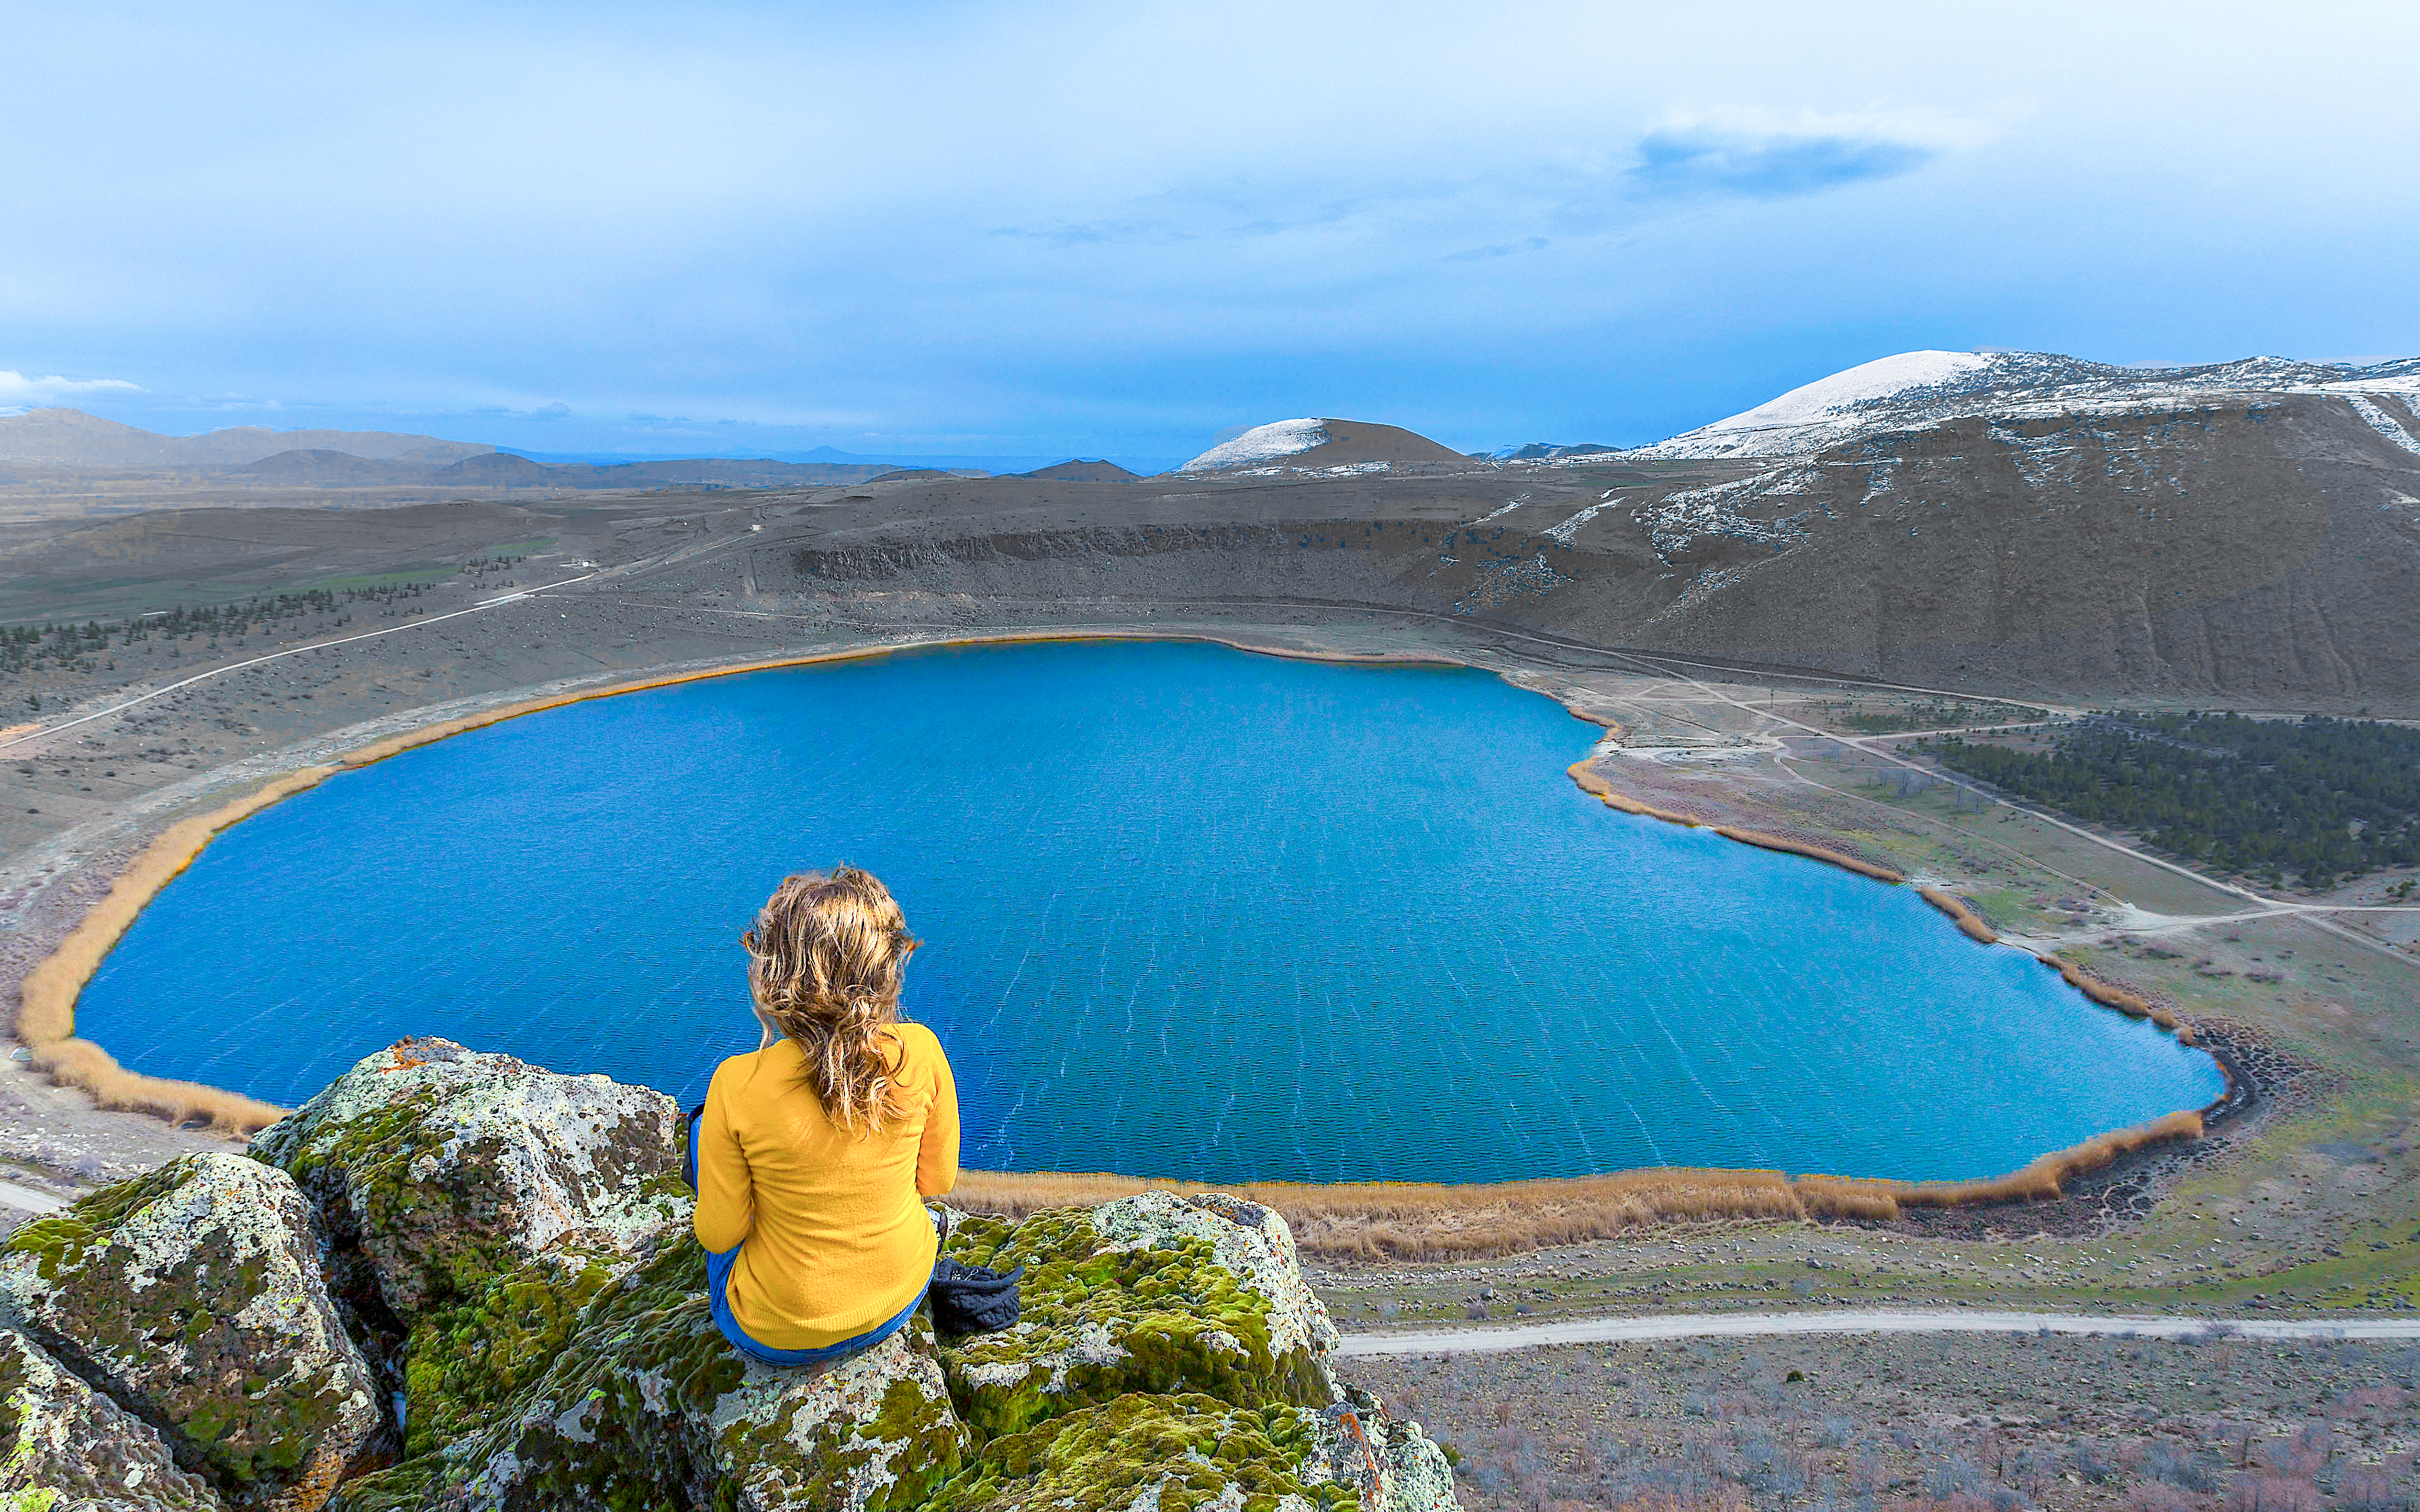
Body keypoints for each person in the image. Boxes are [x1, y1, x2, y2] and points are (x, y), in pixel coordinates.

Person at [691, 867, 960, 1366]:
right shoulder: (921, 1050)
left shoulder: (736, 1083)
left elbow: (718, 1236)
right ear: (885, 966)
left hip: (775, 1330)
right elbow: (936, 1180)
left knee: (703, 1126)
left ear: (776, 974)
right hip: (900, 1296)